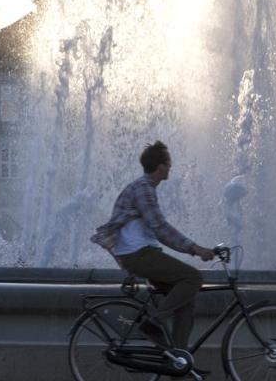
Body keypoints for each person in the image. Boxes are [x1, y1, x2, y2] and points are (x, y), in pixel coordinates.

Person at [91, 141, 216, 351]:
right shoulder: (143, 189)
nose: (171, 168)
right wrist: (195, 249)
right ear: (160, 167)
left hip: (141, 253)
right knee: (193, 278)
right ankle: (152, 322)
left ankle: (179, 359)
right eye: (169, 164)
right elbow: (160, 228)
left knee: (185, 298)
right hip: (138, 254)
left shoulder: (144, 188)